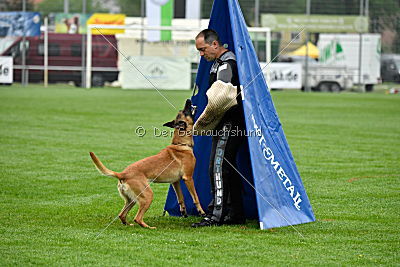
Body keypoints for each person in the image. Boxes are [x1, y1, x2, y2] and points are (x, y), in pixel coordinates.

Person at [191, 29, 246, 227]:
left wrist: (205, 119)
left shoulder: (226, 63)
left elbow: (223, 94)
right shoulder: (218, 62)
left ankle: (216, 216)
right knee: (227, 168)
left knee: (218, 167)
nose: (201, 54)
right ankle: (236, 213)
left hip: (229, 123)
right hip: (227, 123)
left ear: (215, 44)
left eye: (203, 49)